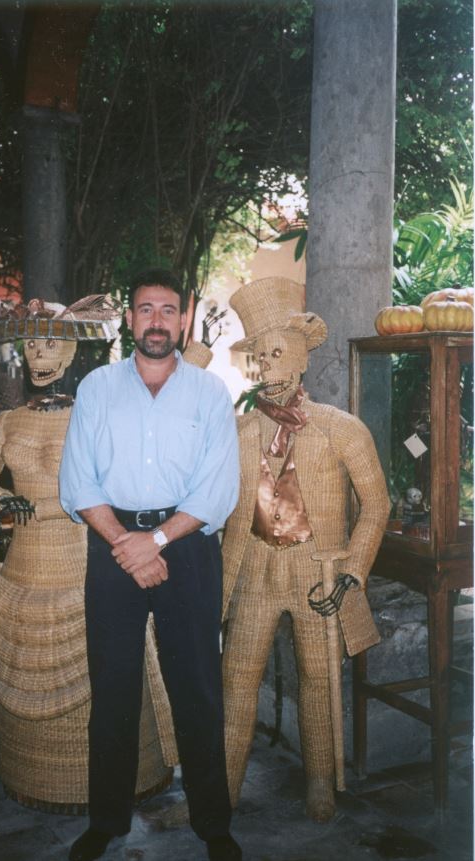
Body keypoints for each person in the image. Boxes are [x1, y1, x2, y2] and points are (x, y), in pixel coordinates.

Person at [59, 269, 242, 861]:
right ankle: (106, 821)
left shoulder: (210, 394)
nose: (157, 320)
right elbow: (78, 481)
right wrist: (127, 543)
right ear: (129, 319)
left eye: (168, 309)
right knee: (112, 688)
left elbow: (218, 489)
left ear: (183, 319)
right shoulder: (95, 388)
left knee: (197, 688)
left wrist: (156, 540)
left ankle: (213, 822)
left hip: (186, 547)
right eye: (146, 309)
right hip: (112, 541)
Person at [0, 296, 176, 812]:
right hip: (26, 563)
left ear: (67, 355)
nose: (40, 354)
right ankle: (32, 774)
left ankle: (119, 780)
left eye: (51, 344)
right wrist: (5, 499)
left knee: (104, 659)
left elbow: (119, 487)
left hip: (84, 557)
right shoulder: (8, 421)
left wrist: (51, 506)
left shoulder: (94, 414)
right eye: (33, 344)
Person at [221, 277, 390, 823]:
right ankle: (220, 791)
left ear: (297, 358)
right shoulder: (237, 431)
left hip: (318, 570)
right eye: (257, 357)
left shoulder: (341, 429)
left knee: (319, 680)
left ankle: (320, 782)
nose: (267, 368)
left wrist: (352, 574)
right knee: (236, 680)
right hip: (253, 568)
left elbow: (377, 505)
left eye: (276, 354)